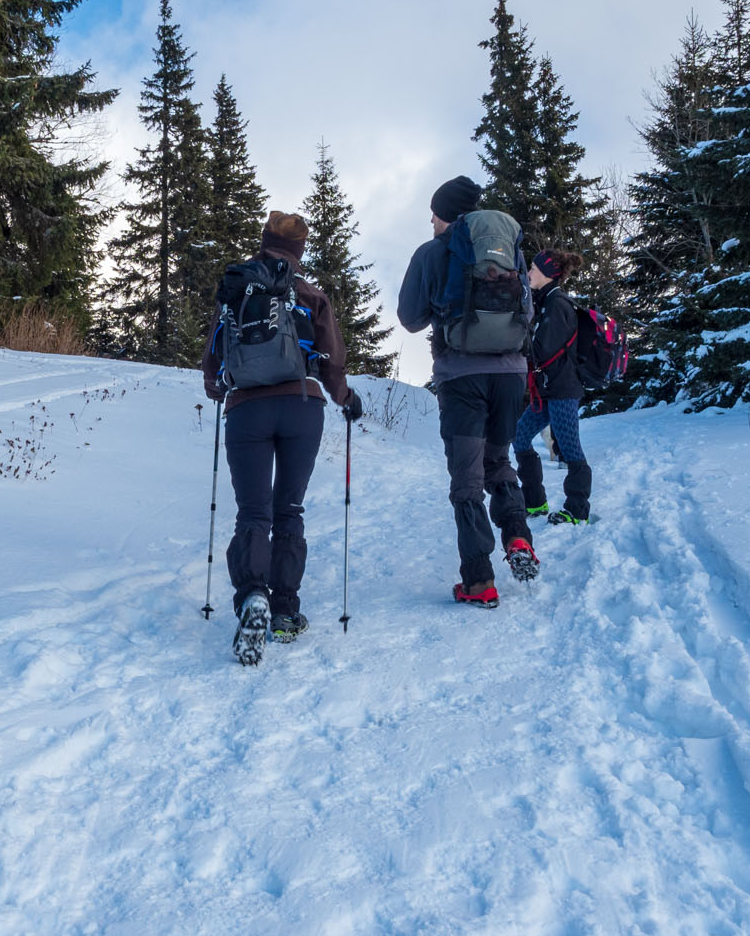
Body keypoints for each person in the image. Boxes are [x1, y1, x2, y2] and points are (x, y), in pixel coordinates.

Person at [203, 210, 362, 663]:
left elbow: (212, 358)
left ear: (263, 241)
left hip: (247, 409)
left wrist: (217, 386)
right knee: (287, 507)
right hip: (302, 406)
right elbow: (332, 360)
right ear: (299, 250)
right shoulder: (310, 294)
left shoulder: (238, 286)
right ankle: (287, 612)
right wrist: (345, 396)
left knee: (252, 510)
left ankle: (253, 596)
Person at [395, 175, 538, 609]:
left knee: (467, 482)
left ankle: (479, 581)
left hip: (462, 380)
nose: (432, 222)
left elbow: (409, 318)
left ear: (447, 215)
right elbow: (526, 306)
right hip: (511, 376)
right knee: (498, 460)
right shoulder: (506, 248)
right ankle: (518, 537)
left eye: (435, 214)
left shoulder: (432, 253)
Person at [515, 249, 593, 525]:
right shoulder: (545, 301)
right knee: (520, 437)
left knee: (570, 449)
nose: (528, 273)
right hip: (549, 390)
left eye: (533, 268)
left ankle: (577, 510)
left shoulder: (557, 303)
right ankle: (535, 502)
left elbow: (542, 349)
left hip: (563, 390)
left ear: (548, 274)